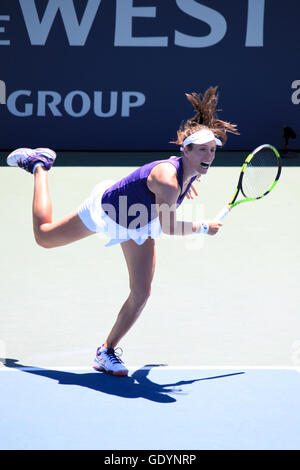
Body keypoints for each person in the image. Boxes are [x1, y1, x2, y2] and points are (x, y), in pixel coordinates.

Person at [7, 86, 238, 376]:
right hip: (108, 213)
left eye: (213, 150)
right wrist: (205, 226)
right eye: (202, 149)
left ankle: (106, 351)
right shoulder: (168, 179)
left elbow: (164, 208)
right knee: (43, 236)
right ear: (185, 150)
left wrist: (180, 191)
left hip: (141, 222)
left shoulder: (189, 171)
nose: (209, 155)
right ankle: (39, 165)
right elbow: (169, 225)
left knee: (141, 293)